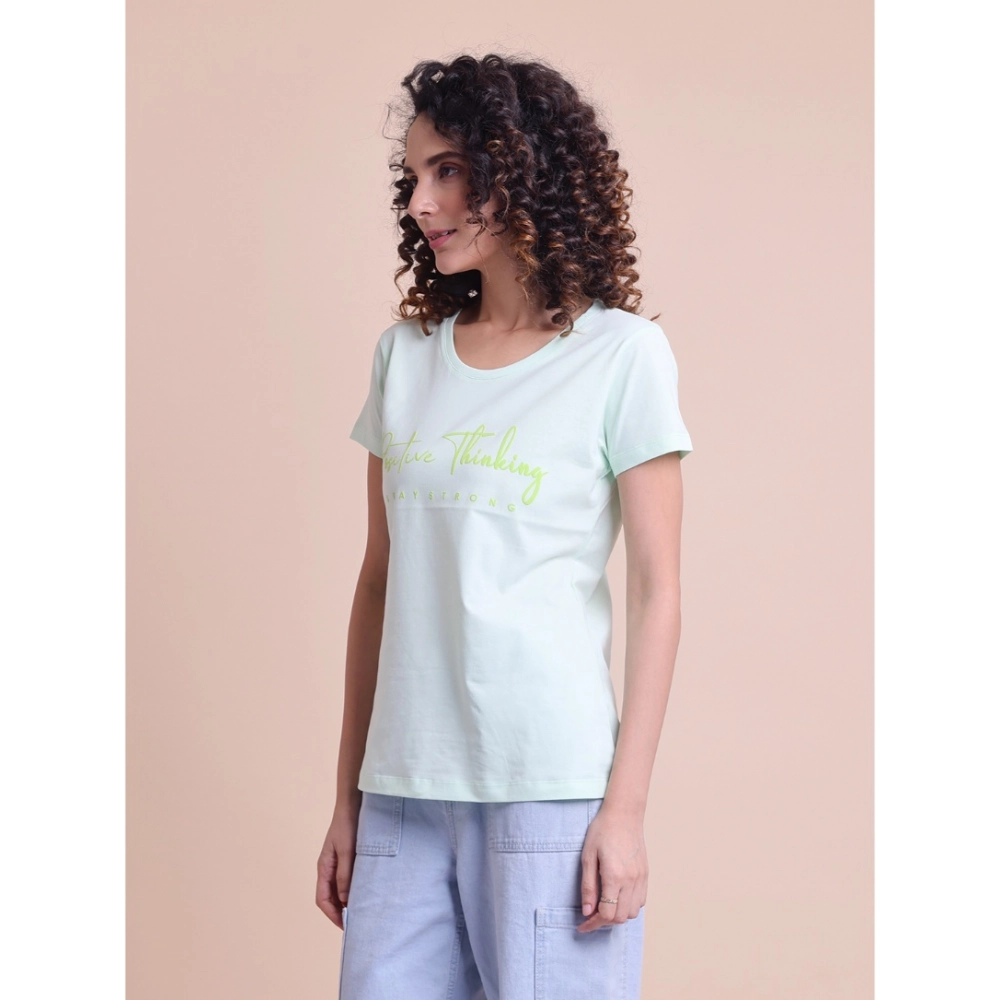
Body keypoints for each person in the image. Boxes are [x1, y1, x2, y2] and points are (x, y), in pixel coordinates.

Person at [316, 53, 693, 1000]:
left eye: (448, 170)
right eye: (414, 176)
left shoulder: (622, 356)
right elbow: (378, 582)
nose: (420, 202)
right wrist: (348, 800)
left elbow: (657, 593)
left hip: (548, 788)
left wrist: (625, 811)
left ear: (522, 170)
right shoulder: (404, 359)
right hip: (401, 794)